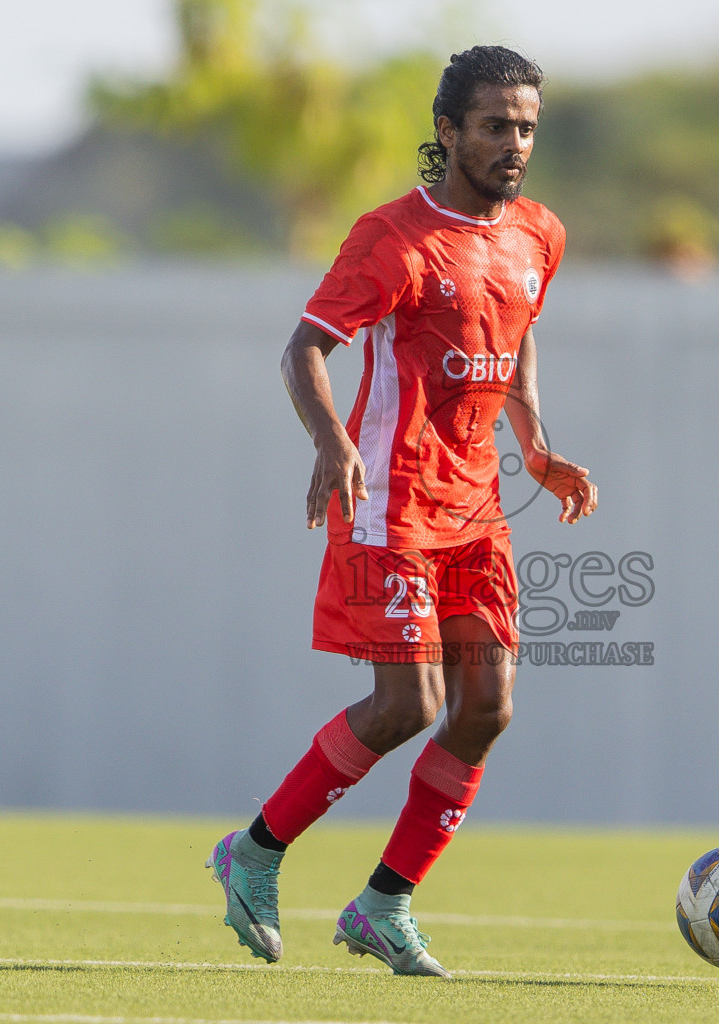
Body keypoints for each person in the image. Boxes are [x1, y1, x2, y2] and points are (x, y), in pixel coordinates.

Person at [205, 45, 597, 978]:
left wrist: (534, 445)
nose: (515, 143)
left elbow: (518, 335)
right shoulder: (394, 238)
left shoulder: (539, 232)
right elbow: (306, 348)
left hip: (477, 508)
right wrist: (333, 445)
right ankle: (254, 850)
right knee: (408, 705)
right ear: (448, 131)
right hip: (392, 505)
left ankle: (384, 903)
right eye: (497, 125)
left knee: (487, 709)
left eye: (528, 127)